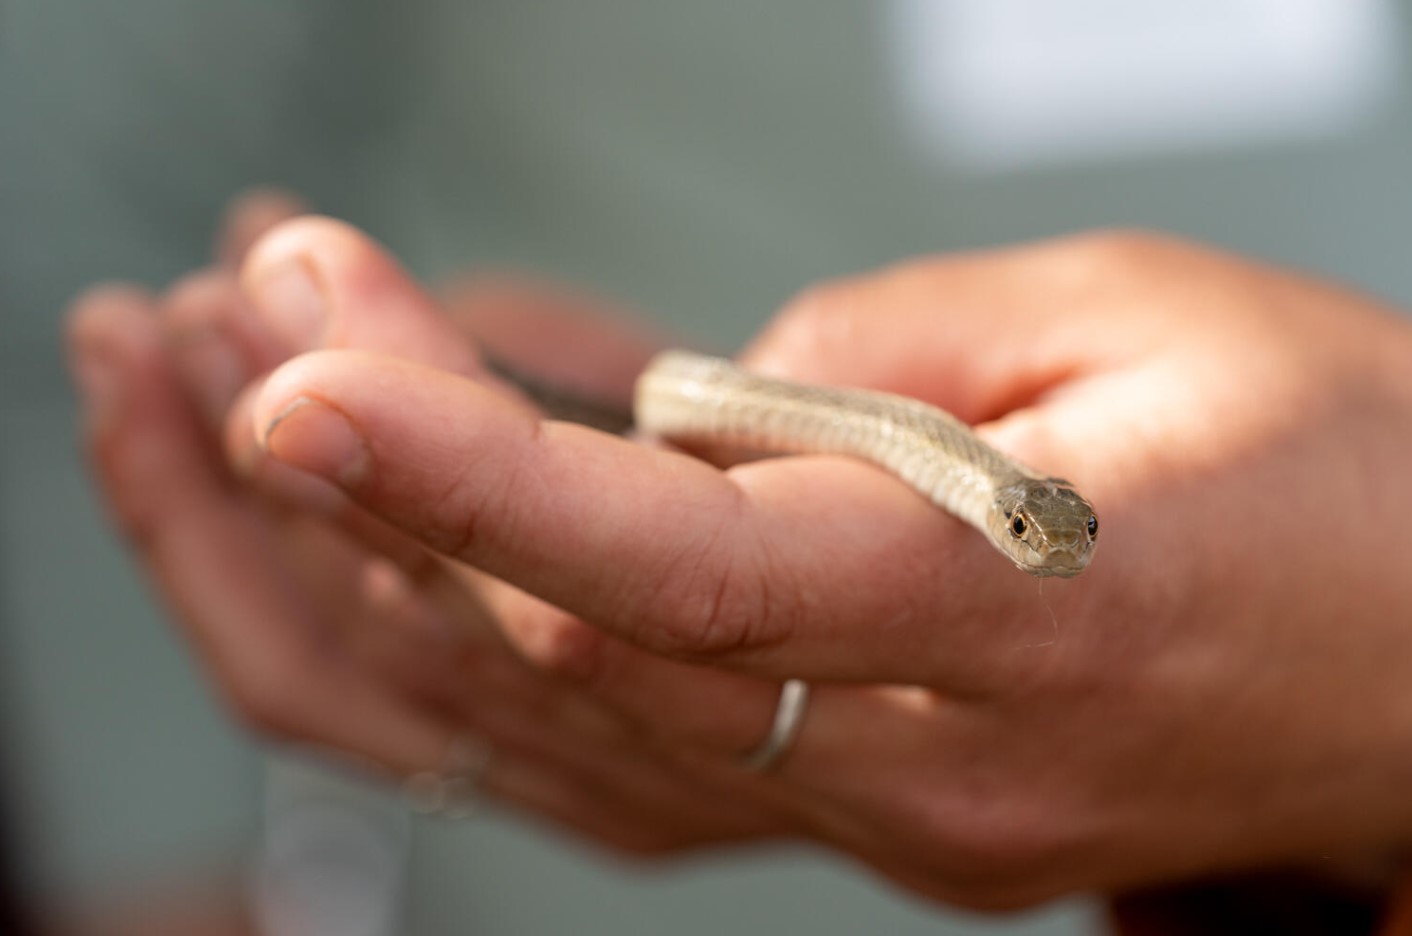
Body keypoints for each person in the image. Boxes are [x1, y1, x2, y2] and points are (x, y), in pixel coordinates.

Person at [66, 191, 1412, 931]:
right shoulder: (930, 452)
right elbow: (103, 178)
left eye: (1037, 541)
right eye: (1022, 533)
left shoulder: (1008, 499)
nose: (1039, 562)